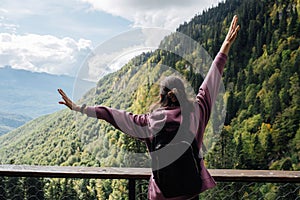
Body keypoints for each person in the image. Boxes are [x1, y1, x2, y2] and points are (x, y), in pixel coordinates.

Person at [58, 15, 240, 200]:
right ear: (183, 93)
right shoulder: (197, 111)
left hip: (162, 193)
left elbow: (111, 114)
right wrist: (225, 46)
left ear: (161, 97)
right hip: (189, 190)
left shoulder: (150, 121)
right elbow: (211, 81)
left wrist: (78, 108)